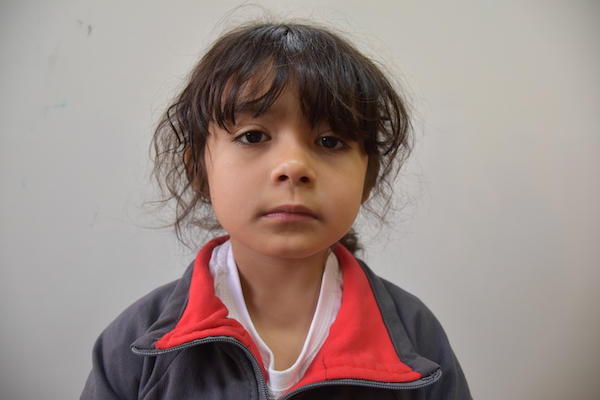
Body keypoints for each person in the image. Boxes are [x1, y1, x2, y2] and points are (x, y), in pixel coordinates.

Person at [81, 21, 471, 400]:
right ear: (198, 170)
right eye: (253, 136)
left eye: (330, 141)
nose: (294, 166)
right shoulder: (134, 344)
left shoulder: (417, 341)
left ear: (368, 178)